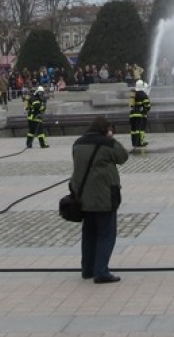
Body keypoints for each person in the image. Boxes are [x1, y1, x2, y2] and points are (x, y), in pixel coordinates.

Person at [70, 116, 129, 284]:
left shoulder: (78, 143)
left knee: (89, 234)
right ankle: (101, 272)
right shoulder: (108, 144)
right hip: (105, 197)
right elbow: (123, 156)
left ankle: (87, 269)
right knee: (106, 235)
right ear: (106, 129)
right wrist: (111, 138)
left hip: (83, 197)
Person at [129, 79, 151, 148]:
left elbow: (131, 104)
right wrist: (146, 110)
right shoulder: (143, 94)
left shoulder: (133, 93)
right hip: (140, 114)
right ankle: (140, 142)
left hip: (132, 114)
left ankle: (134, 142)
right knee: (140, 129)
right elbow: (147, 105)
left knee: (133, 130)